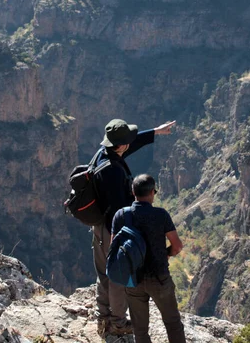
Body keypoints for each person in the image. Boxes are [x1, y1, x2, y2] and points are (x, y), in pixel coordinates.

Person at [92, 119, 175, 337]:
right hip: (113, 230)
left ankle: (103, 317)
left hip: (99, 227)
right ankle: (118, 322)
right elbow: (121, 209)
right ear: (120, 146)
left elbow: (132, 143)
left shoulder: (105, 154)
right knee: (119, 275)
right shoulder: (113, 172)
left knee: (104, 274)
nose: (129, 143)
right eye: (126, 141)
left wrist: (155, 132)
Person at [111, 174, 186, 343]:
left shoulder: (121, 215)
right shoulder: (161, 215)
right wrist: (166, 253)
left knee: (140, 329)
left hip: (133, 279)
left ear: (133, 191)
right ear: (152, 192)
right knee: (173, 323)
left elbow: (114, 248)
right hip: (159, 277)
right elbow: (178, 246)